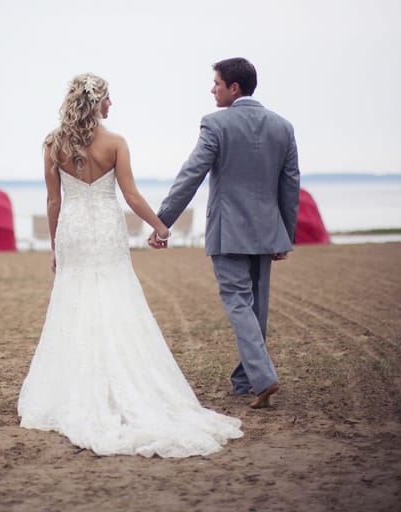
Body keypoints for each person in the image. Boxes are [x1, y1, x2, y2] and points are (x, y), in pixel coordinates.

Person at [17, 72, 243, 458]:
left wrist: (56, 246)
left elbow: (53, 202)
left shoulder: (53, 144)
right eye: (108, 98)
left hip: (73, 232)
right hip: (105, 230)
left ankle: (71, 390)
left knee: (74, 301)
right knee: (115, 297)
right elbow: (132, 195)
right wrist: (160, 227)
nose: (111, 105)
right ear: (96, 102)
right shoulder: (116, 143)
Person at [149, 58, 300, 410]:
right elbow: (290, 185)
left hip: (228, 230)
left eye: (216, 83)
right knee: (256, 306)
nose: (212, 89)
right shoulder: (283, 127)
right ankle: (246, 380)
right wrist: (285, 235)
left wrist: (163, 220)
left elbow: (192, 174)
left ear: (234, 88)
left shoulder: (215, 124)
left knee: (237, 301)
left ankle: (262, 377)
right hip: (266, 230)